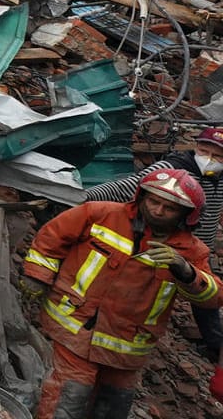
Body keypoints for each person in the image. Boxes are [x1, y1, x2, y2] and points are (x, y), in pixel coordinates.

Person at [23, 169, 220, 418]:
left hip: (128, 345)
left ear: (186, 215)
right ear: (141, 196)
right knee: (69, 398)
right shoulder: (100, 214)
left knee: (113, 405)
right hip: (77, 326)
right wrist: (37, 276)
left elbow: (213, 297)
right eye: (154, 202)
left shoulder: (191, 251)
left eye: (169, 208)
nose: (158, 211)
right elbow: (52, 237)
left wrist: (186, 271)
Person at [83, 126, 223, 360]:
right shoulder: (173, 169)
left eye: (217, 156)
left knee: (203, 292)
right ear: (195, 147)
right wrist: (86, 196)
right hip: (165, 240)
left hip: (197, 248)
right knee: (149, 285)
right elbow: (129, 186)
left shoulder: (218, 178)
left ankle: (215, 345)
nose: (209, 160)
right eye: (204, 150)